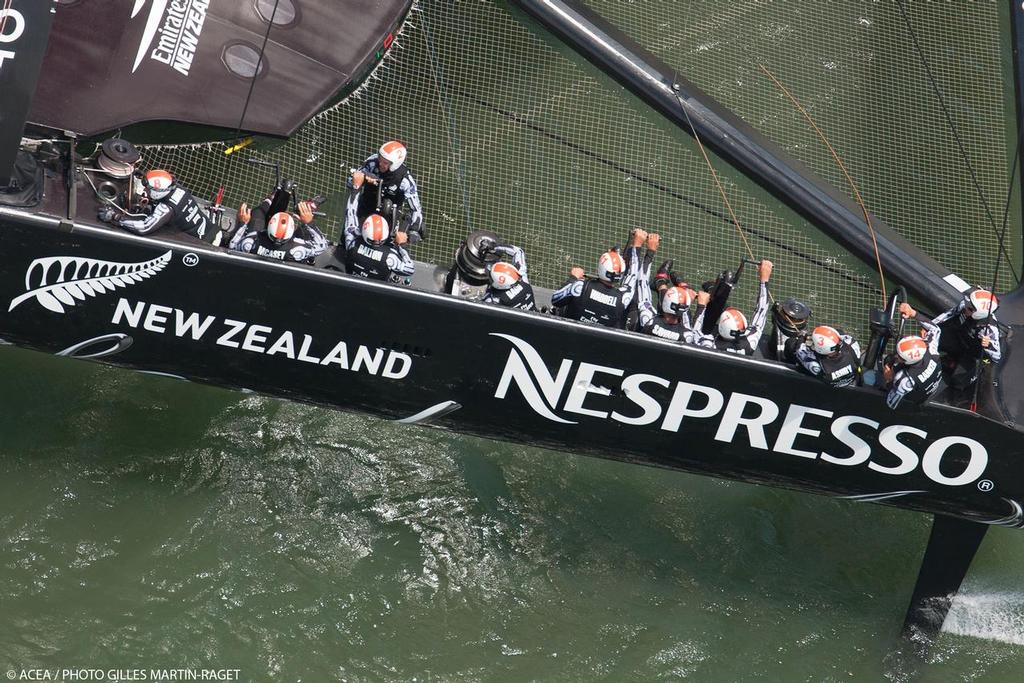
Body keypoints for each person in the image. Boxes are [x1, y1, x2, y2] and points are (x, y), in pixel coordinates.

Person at [551, 229, 645, 329]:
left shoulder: (580, 286)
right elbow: (632, 276)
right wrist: (637, 246)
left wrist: (573, 278)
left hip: (569, 332)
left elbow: (555, 299)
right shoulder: (623, 298)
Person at [101, 169, 222, 245]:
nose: (145, 190)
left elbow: (144, 228)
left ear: (157, 192)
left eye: (148, 189)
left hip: (206, 242)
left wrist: (115, 217)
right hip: (214, 231)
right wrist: (143, 175)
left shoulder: (167, 209)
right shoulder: (179, 189)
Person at [636, 233, 711, 341]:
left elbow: (641, 284)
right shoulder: (687, 335)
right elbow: (696, 332)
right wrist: (701, 305)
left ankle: (660, 283)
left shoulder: (648, 319)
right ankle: (674, 285)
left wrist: (650, 251)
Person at [346, 140, 425, 243]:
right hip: (365, 209)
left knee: (384, 243)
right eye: (380, 159)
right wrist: (364, 178)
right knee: (351, 238)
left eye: (385, 163)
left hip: (388, 217)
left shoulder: (405, 180)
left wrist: (412, 230)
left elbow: (416, 209)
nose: (380, 164)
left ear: (394, 164)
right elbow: (350, 181)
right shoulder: (372, 162)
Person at [692, 260, 773, 355]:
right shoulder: (749, 344)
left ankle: (712, 290)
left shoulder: (709, 345)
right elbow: (761, 312)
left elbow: (695, 333)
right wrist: (764, 279)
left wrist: (701, 306)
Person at [930, 287, 1002, 389]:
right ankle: (951, 358)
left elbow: (996, 357)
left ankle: (954, 364)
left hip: (975, 355)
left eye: (970, 308)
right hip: (962, 339)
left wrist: (987, 345)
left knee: (958, 381)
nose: (965, 307)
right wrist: (930, 325)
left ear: (978, 313)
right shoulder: (966, 305)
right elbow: (949, 314)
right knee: (933, 338)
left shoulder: (989, 330)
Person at [228, 199, 328, 264]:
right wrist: (309, 222)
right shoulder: (297, 249)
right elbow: (322, 246)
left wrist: (242, 223)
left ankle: (271, 198)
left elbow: (232, 246)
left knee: (258, 212)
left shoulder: (250, 242)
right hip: (289, 260)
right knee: (304, 231)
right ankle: (308, 209)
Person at [883, 303, 942, 410]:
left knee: (883, 365)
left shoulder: (903, 380)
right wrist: (913, 313)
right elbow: (935, 329)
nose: (896, 356)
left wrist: (889, 380)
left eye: (900, 356)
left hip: (916, 399)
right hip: (935, 384)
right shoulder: (931, 349)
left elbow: (891, 403)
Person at [344, 214, 416, 282]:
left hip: (350, 285)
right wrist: (402, 245)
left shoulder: (353, 243)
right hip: (376, 292)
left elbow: (350, 219)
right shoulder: (390, 257)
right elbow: (410, 270)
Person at [793, 325, 862, 388]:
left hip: (829, 385)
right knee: (840, 331)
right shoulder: (852, 344)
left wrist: (801, 337)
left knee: (790, 344)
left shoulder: (817, 364)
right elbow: (843, 337)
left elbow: (799, 351)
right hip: (852, 379)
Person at [481, 244, 536, 311]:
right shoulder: (522, 278)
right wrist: (495, 247)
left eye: (491, 278)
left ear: (499, 285)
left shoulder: (494, 300)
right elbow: (518, 251)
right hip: (535, 314)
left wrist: (493, 247)